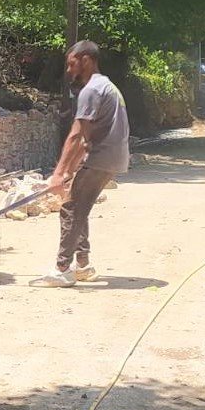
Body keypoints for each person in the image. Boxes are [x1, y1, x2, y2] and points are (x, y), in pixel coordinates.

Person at [32, 40, 130, 288]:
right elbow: (88, 137)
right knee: (80, 205)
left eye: (71, 64)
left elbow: (76, 135)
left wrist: (57, 175)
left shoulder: (91, 90)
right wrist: (70, 169)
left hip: (102, 157)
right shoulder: (107, 86)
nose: (68, 70)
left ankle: (62, 269)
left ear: (86, 59)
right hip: (111, 157)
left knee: (71, 208)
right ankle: (83, 265)